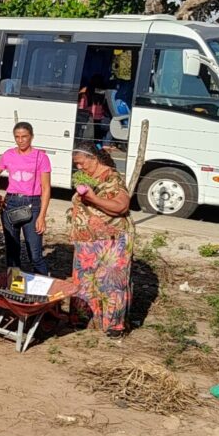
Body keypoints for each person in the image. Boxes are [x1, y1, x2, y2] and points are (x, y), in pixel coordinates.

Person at [68, 142, 134, 337]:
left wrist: (94, 199)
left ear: (94, 159)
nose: (79, 167)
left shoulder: (112, 178)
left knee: (111, 283)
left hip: (112, 241)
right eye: (76, 164)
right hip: (87, 242)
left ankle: (113, 326)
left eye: (81, 163)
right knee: (84, 281)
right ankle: (83, 320)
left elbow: (121, 206)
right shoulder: (86, 177)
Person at [0, 121, 52, 276]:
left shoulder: (41, 157)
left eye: (24, 136)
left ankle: (42, 287)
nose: (20, 140)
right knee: (12, 252)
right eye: (17, 137)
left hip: (32, 203)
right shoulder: (8, 154)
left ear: (31, 137)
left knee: (35, 254)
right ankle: (15, 286)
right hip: (11, 202)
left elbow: (46, 188)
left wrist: (42, 216)